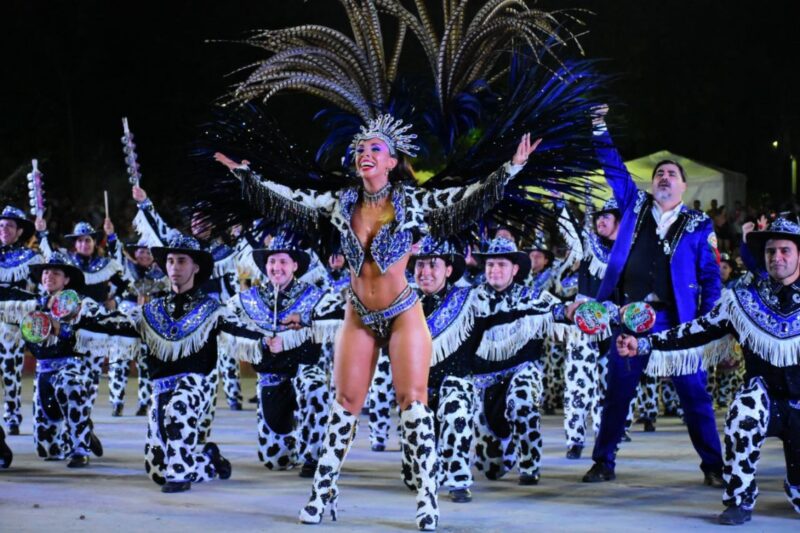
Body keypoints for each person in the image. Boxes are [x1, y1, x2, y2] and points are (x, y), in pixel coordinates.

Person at [216, 116, 539, 530]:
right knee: (345, 403)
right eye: (360, 150)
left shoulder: (413, 201)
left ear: (391, 161)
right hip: (359, 313)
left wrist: (510, 167)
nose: (365, 155)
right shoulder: (341, 202)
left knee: (413, 402)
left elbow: (468, 196)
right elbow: (292, 198)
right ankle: (322, 493)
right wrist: (249, 177)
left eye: (376, 150)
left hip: (403, 311)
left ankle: (426, 497)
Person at [615, 216, 800, 524]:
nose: (777, 258)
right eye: (771, 251)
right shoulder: (742, 299)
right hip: (766, 399)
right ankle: (739, 498)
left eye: (785, 251)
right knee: (744, 410)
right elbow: (696, 331)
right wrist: (644, 344)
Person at [582, 107, 724, 486]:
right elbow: (613, 168)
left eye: (671, 174)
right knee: (618, 392)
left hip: (679, 322)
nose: (664, 177)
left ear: (683, 187)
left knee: (695, 396)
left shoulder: (699, 225)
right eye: (659, 173)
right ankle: (603, 462)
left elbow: (710, 278)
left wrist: (707, 325)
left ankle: (713, 465)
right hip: (630, 316)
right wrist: (599, 128)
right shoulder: (634, 204)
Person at [0, 253, 138, 467]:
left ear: (66, 280)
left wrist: (62, 330)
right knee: (48, 450)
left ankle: (80, 446)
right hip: (43, 372)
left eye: (56, 273)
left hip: (72, 368)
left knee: (69, 387)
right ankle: (84, 429)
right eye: (46, 272)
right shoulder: (32, 305)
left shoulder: (83, 304)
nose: (49, 277)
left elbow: (97, 328)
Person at [226, 232, 341, 476]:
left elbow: (342, 315)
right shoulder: (248, 299)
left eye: (283, 261)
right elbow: (225, 322)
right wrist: (260, 342)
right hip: (270, 378)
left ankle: (315, 455)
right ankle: (294, 442)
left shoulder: (315, 296)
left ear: (295, 265)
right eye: (272, 262)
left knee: (316, 389)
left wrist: (305, 320)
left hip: (304, 371)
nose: (276, 267)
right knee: (274, 461)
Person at [107, 239, 170, 416]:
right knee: (119, 363)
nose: (143, 254)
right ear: (135, 253)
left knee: (146, 364)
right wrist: (111, 237)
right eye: (140, 251)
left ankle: (144, 402)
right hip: (125, 327)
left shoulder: (162, 275)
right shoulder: (126, 271)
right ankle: (117, 402)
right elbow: (114, 254)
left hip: (149, 327)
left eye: (148, 252)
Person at [0, 206, 43, 436]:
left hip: (13, 321)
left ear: (18, 231)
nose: (4, 229)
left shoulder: (29, 257)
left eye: (9, 226)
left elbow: (44, 280)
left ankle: (12, 413)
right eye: (1, 225)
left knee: (10, 368)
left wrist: (44, 235)